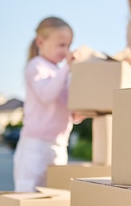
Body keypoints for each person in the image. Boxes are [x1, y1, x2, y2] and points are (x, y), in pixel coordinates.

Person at [14, 16, 82, 192]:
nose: (66, 50)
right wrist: (67, 68)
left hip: (59, 144)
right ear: (41, 42)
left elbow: (65, 104)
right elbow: (47, 95)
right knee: (29, 192)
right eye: (61, 45)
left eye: (68, 45)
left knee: (55, 194)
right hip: (36, 145)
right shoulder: (36, 66)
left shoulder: (61, 72)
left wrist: (76, 114)